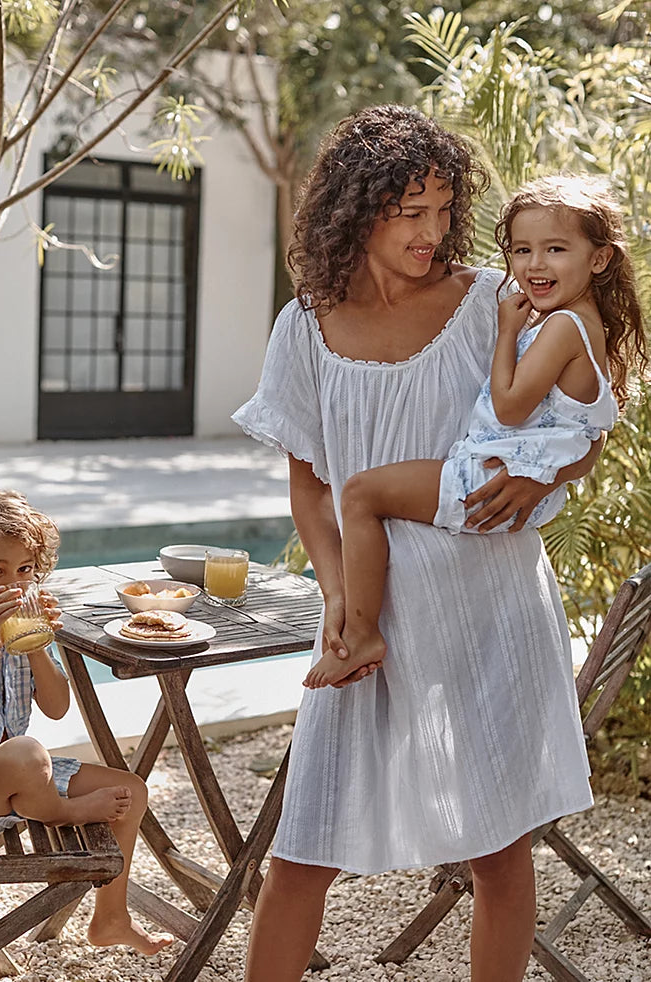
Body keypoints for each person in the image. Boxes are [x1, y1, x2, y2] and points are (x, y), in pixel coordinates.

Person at [232, 105, 611, 982]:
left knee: (497, 852)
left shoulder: (495, 302)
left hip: (489, 605)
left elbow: (586, 417)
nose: (432, 232)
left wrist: (546, 477)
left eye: (444, 209)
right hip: (368, 614)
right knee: (302, 851)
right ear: (359, 208)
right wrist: (336, 598)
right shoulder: (305, 326)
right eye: (411, 210)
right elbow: (310, 484)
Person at [304, 174, 646, 689]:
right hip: (511, 479)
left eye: (555, 249)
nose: (534, 264)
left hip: (487, 480)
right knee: (364, 495)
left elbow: (509, 408)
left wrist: (507, 330)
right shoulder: (577, 321)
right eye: (522, 249)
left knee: (359, 494)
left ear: (598, 259)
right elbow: (587, 429)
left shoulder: (560, 327)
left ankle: (362, 632)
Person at [0, 487, 174, 957]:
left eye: (24, 570)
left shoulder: (22, 620)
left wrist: (39, 644)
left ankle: (110, 918)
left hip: (19, 785)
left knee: (132, 791)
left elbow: (57, 706)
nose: (11, 583)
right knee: (28, 752)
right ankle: (62, 811)